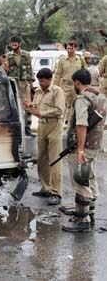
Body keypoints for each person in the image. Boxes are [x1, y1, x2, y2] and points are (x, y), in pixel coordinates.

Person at [62, 69, 107, 232]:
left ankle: (82, 220)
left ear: (77, 83)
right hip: (95, 145)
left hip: (84, 146)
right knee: (90, 177)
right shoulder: (100, 96)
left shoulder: (83, 98)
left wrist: (79, 149)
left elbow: (81, 124)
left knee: (80, 180)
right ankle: (91, 213)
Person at [24, 68, 65, 205]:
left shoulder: (57, 91)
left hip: (54, 126)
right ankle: (45, 188)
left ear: (49, 79)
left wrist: (41, 113)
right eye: (39, 81)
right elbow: (35, 108)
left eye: (42, 81)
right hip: (42, 126)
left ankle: (56, 192)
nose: (40, 83)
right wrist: (30, 106)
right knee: (42, 159)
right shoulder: (38, 91)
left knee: (54, 160)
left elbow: (59, 110)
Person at [5, 36, 34, 135]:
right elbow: (6, 70)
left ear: (19, 44)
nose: (14, 45)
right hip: (13, 83)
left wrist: (31, 84)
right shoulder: (8, 56)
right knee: (15, 106)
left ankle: (27, 127)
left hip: (24, 83)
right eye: (12, 43)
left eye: (15, 43)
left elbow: (30, 69)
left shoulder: (26, 55)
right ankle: (17, 128)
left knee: (27, 106)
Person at [54, 40, 86, 125]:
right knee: (62, 105)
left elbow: (85, 73)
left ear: (75, 48)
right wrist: (55, 87)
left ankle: (73, 124)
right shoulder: (62, 60)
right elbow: (58, 74)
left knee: (76, 105)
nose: (69, 50)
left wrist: (85, 87)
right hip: (65, 86)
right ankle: (60, 123)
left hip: (77, 86)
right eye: (68, 48)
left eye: (71, 48)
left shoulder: (80, 60)